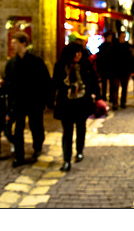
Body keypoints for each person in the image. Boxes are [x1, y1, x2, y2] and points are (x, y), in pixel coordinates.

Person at [5, 31, 54, 167]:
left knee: (36, 126)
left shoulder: (36, 61)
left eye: (15, 43)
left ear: (23, 44)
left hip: (34, 101)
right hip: (18, 102)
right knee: (18, 129)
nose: (12, 45)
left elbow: (45, 81)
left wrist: (47, 101)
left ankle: (37, 147)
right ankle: (19, 156)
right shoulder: (11, 64)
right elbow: (9, 85)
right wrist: (9, 106)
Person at [52, 42, 101, 172]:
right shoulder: (61, 66)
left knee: (81, 127)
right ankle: (66, 160)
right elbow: (55, 84)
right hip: (66, 103)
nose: (78, 55)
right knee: (67, 132)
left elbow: (93, 81)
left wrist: (97, 96)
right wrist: (51, 101)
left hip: (81, 102)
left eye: (80, 52)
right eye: (76, 52)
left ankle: (79, 150)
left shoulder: (85, 64)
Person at [111, 31, 134, 109]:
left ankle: (123, 102)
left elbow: (131, 59)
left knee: (124, 87)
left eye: (124, 36)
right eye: (122, 36)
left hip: (125, 70)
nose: (123, 38)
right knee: (115, 86)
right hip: (115, 70)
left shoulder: (128, 46)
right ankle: (115, 103)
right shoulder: (114, 46)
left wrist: (131, 70)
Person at [96, 31, 115, 102]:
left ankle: (111, 97)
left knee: (112, 84)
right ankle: (104, 97)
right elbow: (99, 59)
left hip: (111, 68)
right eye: (109, 37)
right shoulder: (102, 47)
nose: (110, 38)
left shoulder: (113, 46)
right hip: (104, 68)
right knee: (104, 84)